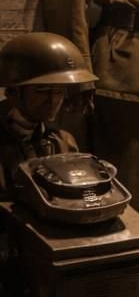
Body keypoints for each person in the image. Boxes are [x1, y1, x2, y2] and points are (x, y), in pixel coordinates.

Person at [0, 32, 94, 197]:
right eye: (42, 91)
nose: (53, 100)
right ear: (13, 93)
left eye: (58, 91)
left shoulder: (62, 142)